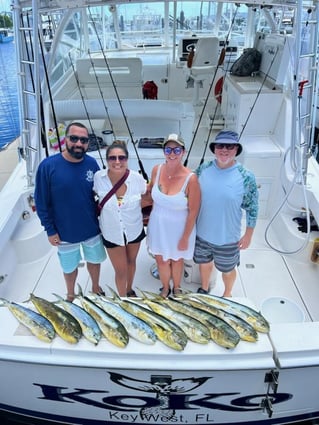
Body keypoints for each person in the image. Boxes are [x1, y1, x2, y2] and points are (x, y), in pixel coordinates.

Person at [34, 122, 107, 301]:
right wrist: (50, 230)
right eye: (74, 138)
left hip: (92, 228)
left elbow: (100, 192)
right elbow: (41, 201)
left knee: (95, 261)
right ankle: (70, 294)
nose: (78, 143)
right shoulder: (48, 166)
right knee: (69, 267)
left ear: (87, 143)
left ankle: (96, 287)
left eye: (83, 140)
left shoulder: (92, 163)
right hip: (64, 232)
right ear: (65, 139)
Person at [194, 129, 258, 297]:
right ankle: (204, 288)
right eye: (220, 146)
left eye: (230, 147)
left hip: (228, 238)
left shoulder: (246, 177)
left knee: (228, 270)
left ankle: (227, 294)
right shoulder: (203, 169)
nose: (224, 150)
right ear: (214, 149)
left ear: (236, 150)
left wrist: (248, 235)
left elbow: (253, 208)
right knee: (204, 263)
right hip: (201, 233)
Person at [147, 134, 201, 297]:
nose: (172, 153)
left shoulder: (191, 179)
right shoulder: (156, 169)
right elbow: (150, 190)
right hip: (158, 225)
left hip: (180, 229)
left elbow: (193, 210)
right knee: (161, 260)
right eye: (168, 149)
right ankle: (165, 288)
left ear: (183, 152)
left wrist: (185, 237)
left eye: (177, 149)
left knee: (177, 260)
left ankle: (177, 287)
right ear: (164, 151)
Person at [93, 140, 147, 297]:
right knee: (121, 269)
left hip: (134, 229)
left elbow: (147, 195)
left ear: (127, 159)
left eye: (121, 158)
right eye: (112, 158)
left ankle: (129, 289)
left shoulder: (137, 179)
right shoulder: (98, 178)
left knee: (131, 262)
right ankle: (123, 298)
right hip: (111, 232)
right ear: (107, 160)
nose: (117, 162)